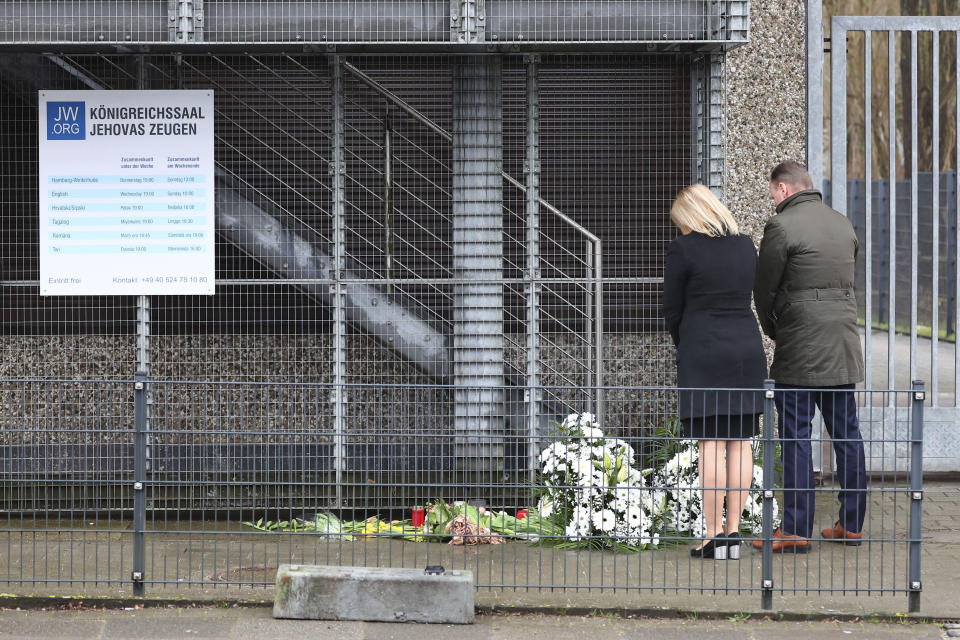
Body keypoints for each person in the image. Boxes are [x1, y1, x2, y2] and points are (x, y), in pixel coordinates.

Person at [751, 160, 867, 553]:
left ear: (783, 189)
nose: (773, 200)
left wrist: (775, 329)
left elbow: (763, 291)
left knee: (797, 435)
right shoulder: (843, 223)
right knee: (847, 433)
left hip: (800, 347)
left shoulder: (781, 226)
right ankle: (851, 524)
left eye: (772, 194)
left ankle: (797, 529)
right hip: (842, 345)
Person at [662, 184, 767, 560]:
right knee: (740, 442)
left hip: (703, 351)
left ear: (690, 217)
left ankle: (711, 536)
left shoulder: (684, 248)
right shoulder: (745, 245)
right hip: (745, 349)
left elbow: (671, 308)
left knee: (710, 443)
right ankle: (734, 534)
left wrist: (685, 339)